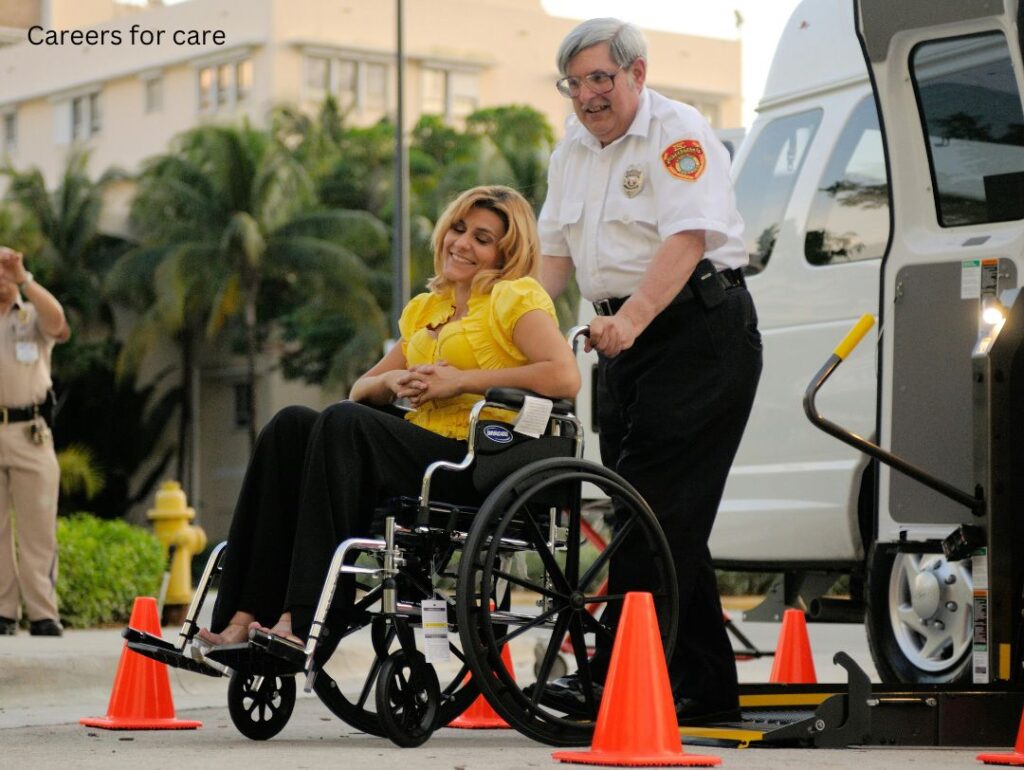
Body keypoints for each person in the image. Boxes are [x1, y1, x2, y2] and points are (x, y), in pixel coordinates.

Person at [198, 185, 579, 648]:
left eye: (482, 238)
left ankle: (304, 620)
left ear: (507, 251)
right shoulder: (427, 310)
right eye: (458, 229)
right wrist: (391, 384)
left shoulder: (514, 298)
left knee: (345, 423)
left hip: (474, 460)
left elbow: (563, 376)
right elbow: (361, 388)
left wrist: (458, 381)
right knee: (290, 426)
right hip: (416, 451)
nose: (461, 243)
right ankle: (242, 615)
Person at [536, 19, 762, 725]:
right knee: (667, 514)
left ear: (637, 73)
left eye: (600, 79)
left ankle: (615, 676)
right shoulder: (570, 150)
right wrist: (509, 342)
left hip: (695, 333)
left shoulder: (678, 131)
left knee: (649, 510)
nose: (587, 97)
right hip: (620, 345)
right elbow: (549, 261)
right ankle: (705, 688)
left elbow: (687, 239)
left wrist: (630, 321)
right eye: (573, 84)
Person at [0, 247, 70, 637]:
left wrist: (24, 277)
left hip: (31, 430)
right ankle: (3, 611)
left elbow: (58, 322)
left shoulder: (30, 315)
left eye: (5, 270)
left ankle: (43, 612)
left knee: (38, 527)